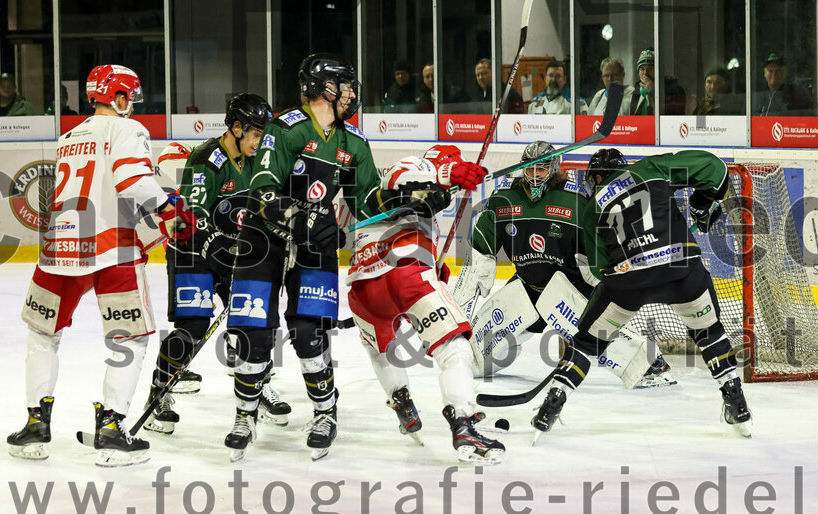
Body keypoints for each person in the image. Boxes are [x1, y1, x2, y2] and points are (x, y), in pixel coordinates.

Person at [7, 64, 196, 467]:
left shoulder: (68, 137)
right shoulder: (128, 131)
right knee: (129, 339)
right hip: (112, 251)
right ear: (120, 96)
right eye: (131, 96)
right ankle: (111, 428)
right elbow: (132, 182)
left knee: (43, 334)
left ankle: (35, 425)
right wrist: (170, 209)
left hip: (59, 251)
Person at [530, 148, 752, 440]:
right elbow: (716, 170)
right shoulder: (651, 168)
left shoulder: (591, 207)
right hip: (681, 271)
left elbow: (598, 270)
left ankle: (553, 403)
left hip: (627, 282)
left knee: (585, 345)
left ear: (596, 177)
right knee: (709, 333)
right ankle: (736, 401)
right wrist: (702, 201)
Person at [225, 53, 379, 461]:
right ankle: (244, 413)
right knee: (252, 333)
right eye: (344, 84)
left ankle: (326, 411)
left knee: (310, 334)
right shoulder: (286, 128)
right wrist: (298, 216)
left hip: (315, 244)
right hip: (265, 238)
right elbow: (263, 185)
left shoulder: (354, 143)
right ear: (325, 88)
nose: (351, 92)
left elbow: (369, 204)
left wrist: (420, 196)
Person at [453, 141, 673, 388]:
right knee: (470, 361)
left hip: (569, 285)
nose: (535, 176)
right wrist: (457, 317)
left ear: (554, 168)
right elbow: (479, 256)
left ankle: (650, 363)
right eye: (530, 169)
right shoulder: (503, 199)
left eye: (541, 169)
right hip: (527, 286)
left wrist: (605, 283)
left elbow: (596, 248)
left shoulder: (576, 200)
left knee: (593, 332)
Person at [143, 94, 292, 435]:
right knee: (192, 328)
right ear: (236, 128)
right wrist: (223, 251)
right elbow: (192, 219)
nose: (261, 141)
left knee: (255, 323)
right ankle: (159, 394)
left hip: (235, 251)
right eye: (256, 134)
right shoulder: (206, 160)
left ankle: (257, 385)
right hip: (191, 251)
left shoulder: (259, 159)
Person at [347, 145, 506, 463]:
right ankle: (462, 422)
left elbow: (411, 200)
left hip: (363, 286)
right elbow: (403, 178)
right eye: (453, 166)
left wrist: (436, 267)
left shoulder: (419, 207)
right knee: (455, 349)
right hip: (406, 272)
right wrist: (451, 174)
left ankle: (400, 400)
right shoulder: (412, 167)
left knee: (378, 350)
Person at [629, 48, 686, 116]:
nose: (645, 73)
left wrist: (653, 91)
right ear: (638, 73)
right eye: (642, 69)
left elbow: (674, 114)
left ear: (658, 71)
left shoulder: (673, 89)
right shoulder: (637, 91)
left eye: (650, 69)